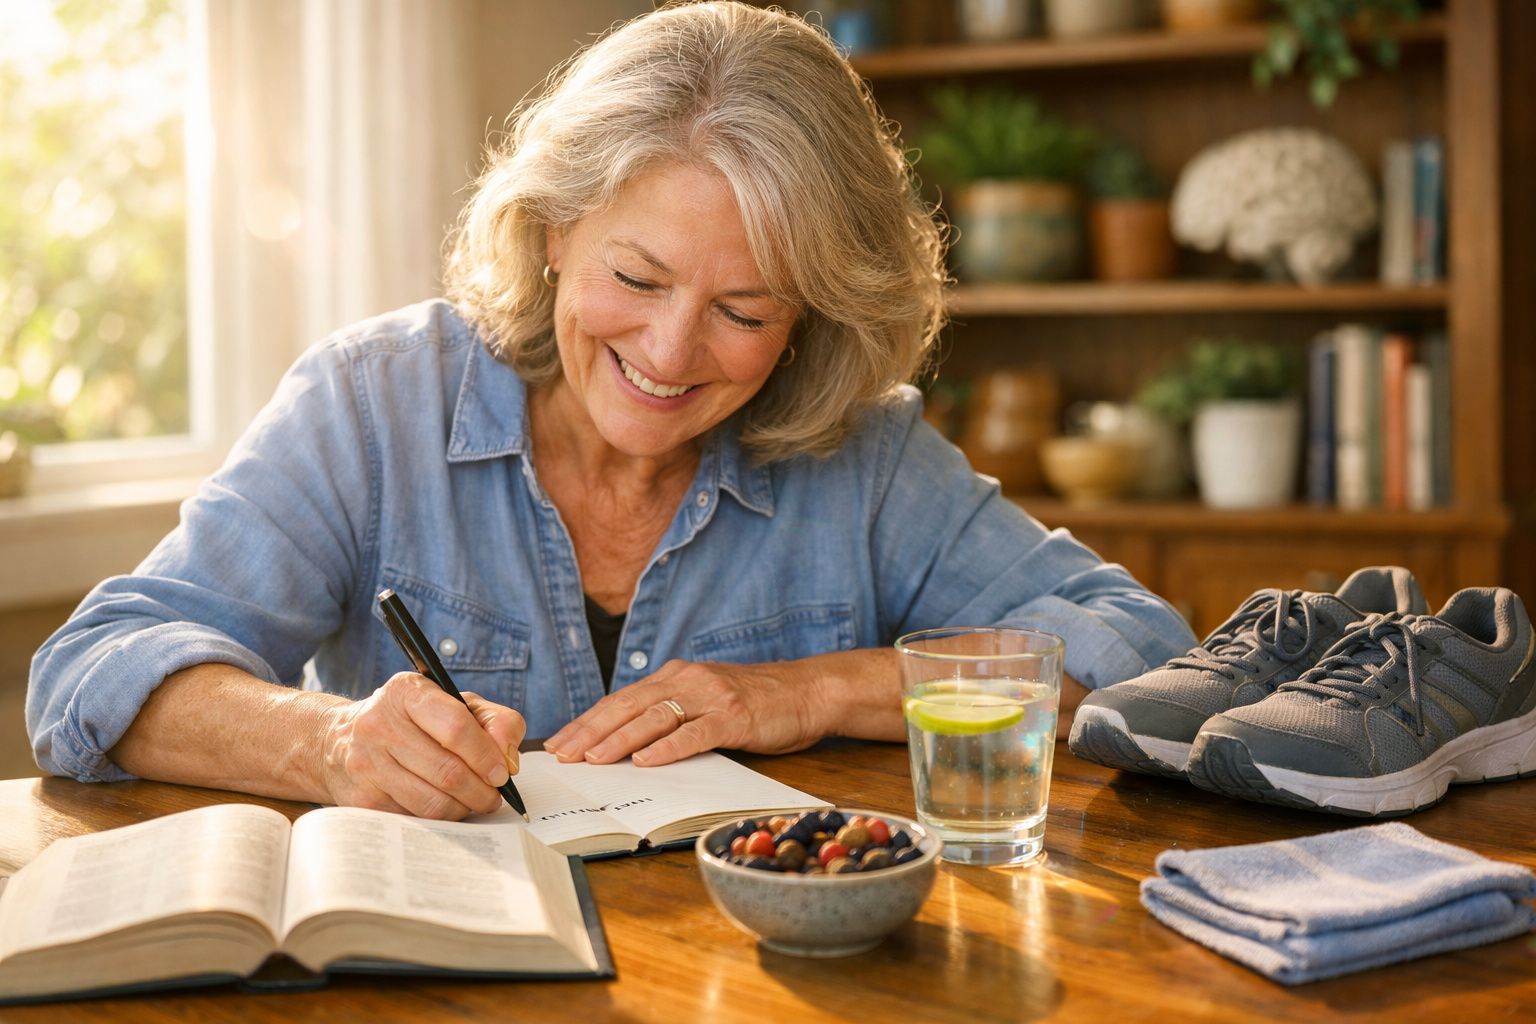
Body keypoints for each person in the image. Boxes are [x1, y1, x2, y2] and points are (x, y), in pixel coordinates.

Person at [28, 1, 1195, 820]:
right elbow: (94, 672)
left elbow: (1137, 650)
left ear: (810, 317)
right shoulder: (372, 403)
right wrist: (331, 742)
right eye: (636, 278)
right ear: (551, 229)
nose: (670, 352)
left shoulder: (863, 453)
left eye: (744, 308)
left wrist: (805, 691)